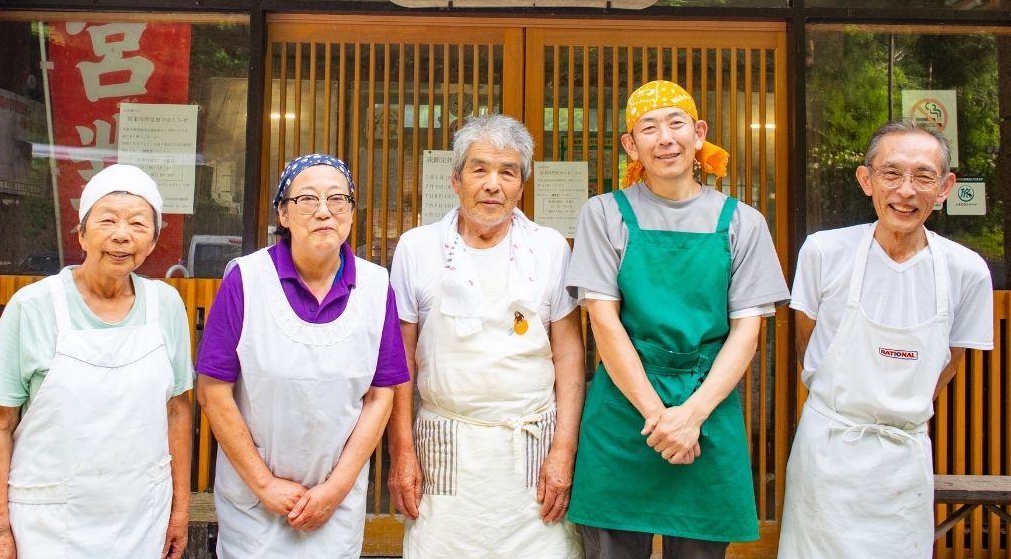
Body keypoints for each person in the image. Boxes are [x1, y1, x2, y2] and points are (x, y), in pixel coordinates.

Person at [566, 80, 789, 559]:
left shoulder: (743, 222)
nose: (665, 138)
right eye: (648, 128)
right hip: (625, 409)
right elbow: (603, 322)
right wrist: (661, 420)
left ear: (699, 133)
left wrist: (692, 416)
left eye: (676, 124)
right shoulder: (604, 214)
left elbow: (747, 330)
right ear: (631, 145)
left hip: (708, 404)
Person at [778, 119, 994, 558]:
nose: (905, 190)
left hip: (903, 459)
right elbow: (807, 345)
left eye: (923, 176)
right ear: (866, 180)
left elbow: (948, 364)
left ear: (945, 187)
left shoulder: (966, 270)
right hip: (827, 449)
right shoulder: (823, 251)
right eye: (891, 173)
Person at [386, 113, 584, 559]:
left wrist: (564, 451)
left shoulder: (550, 247)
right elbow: (401, 360)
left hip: (533, 447)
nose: (493, 184)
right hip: (445, 444)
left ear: (521, 186)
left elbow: (569, 356)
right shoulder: (418, 248)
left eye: (507, 172)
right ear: (456, 181)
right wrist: (401, 452)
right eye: (479, 169)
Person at [196, 153, 408, 559]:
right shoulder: (246, 279)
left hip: (335, 505)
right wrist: (265, 485)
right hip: (255, 504)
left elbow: (382, 395)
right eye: (307, 199)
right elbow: (212, 391)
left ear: (351, 213)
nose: (324, 211)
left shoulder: (376, 286)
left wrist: (335, 488)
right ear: (284, 214)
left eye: (338, 200)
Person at [0, 164, 193, 559]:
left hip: (142, 517)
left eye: (138, 223)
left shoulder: (166, 304)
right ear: (81, 233)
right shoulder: (32, 306)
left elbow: (178, 411)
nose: (122, 235)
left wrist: (180, 511)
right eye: (108, 220)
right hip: (48, 522)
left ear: (153, 241)